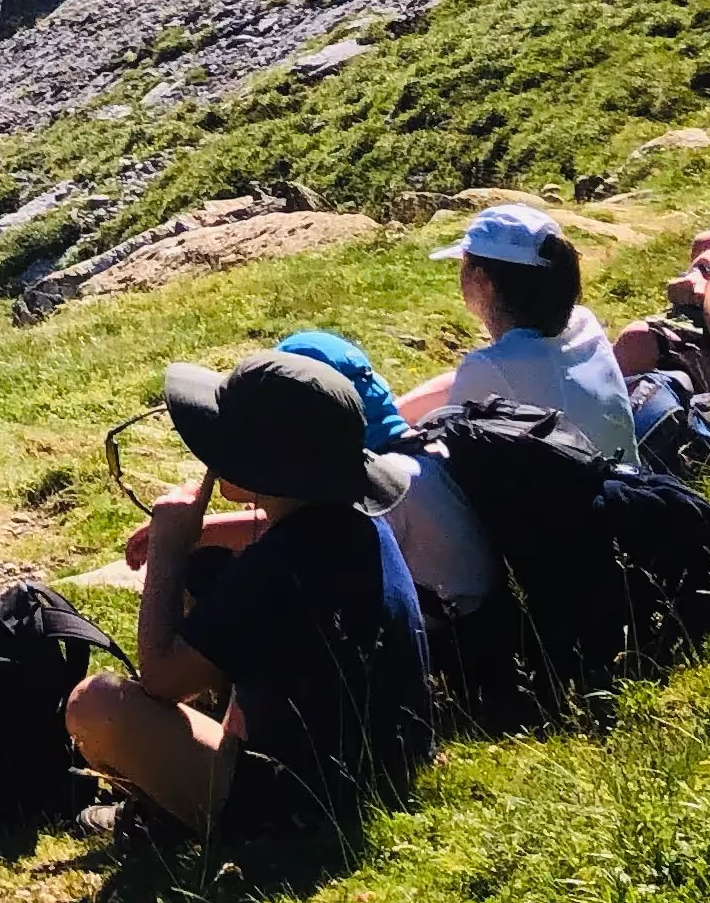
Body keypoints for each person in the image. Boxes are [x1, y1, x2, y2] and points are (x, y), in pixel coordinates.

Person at [66, 350, 434, 846]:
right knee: (210, 569)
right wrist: (205, 539)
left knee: (97, 704)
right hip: (383, 770)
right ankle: (192, 776)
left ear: (258, 467)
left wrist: (170, 547)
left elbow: (160, 678)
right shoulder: (355, 527)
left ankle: (174, 810)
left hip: (305, 809)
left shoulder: (277, 570)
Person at [118, 331, 502, 614]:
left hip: (454, 646)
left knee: (224, 575)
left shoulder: (391, 485)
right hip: (458, 613)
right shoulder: (416, 451)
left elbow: (304, 532)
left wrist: (186, 536)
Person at [399, 202, 637, 461]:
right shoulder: (583, 324)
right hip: (622, 486)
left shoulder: (490, 366)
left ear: (481, 279)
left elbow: (452, 455)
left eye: (463, 263)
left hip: (561, 500)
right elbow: (463, 381)